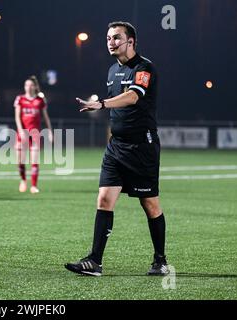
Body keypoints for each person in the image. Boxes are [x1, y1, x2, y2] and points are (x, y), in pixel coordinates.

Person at [65, 21, 169, 276]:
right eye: (108, 38)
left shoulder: (144, 68)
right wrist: (104, 107)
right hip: (116, 147)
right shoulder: (112, 70)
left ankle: (160, 260)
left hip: (141, 147)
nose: (111, 42)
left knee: (150, 204)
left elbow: (133, 96)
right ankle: (95, 261)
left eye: (116, 38)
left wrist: (101, 104)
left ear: (131, 41)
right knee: (104, 199)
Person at [14, 76, 53, 194]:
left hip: (35, 134)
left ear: (35, 87)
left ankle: (34, 186)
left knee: (34, 161)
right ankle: (23, 180)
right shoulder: (19, 99)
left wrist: (50, 131)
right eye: (26, 85)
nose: (28, 87)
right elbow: (17, 116)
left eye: (31, 85)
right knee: (20, 161)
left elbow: (46, 117)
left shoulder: (40, 100)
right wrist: (20, 130)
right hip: (22, 133)